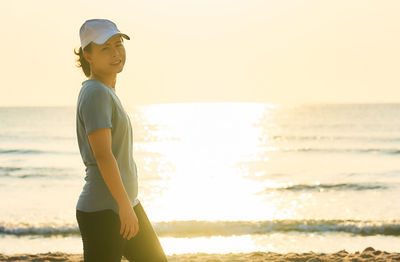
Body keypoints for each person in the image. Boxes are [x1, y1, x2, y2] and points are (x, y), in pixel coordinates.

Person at [73, 18, 169, 262]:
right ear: (88, 55)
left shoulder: (105, 91)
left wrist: (128, 205)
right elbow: (103, 155)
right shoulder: (95, 92)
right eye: (105, 48)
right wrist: (124, 207)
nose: (116, 53)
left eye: (118, 45)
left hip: (124, 204)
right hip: (105, 210)